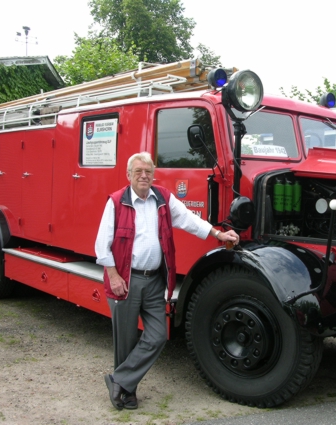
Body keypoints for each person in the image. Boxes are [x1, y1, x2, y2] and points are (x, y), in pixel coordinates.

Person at [95, 152, 239, 410]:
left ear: (153, 174)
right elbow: (101, 246)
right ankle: (127, 392)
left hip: (154, 282)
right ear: (128, 175)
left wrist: (218, 233)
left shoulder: (163, 198)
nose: (143, 175)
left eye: (148, 171)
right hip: (126, 281)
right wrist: (113, 276)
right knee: (125, 342)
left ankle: (118, 381)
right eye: (138, 171)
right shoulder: (116, 202)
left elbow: (189, 220)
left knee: (158, 335)